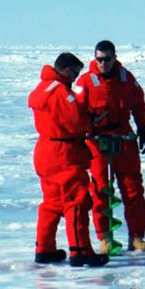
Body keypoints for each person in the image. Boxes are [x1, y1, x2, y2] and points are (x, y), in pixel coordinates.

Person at [28, 52, 108, 267]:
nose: (74, 78)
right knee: (77, 200)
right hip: (62, 153)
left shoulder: (43, 87)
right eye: (74, 72)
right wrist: (90, 120)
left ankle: (44, 249)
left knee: (52, 203)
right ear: (64, 69)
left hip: (45, 150)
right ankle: (80, 251)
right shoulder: (60, 91)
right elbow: (74, 122)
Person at [76, 40, 145, 254]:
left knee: (133, 189)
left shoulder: (127, 79)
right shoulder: (85, 82)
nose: (103, 63)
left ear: (114, 57)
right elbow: (77, 111)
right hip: (97, 141)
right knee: (101, 190)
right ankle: (105, 238)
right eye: (99, 59)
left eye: (107, 59)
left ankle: (136, 237)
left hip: (124, 140)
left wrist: (143, 128)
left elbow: (139, 103)